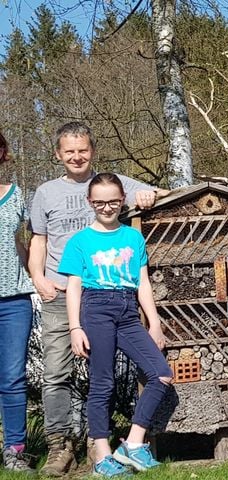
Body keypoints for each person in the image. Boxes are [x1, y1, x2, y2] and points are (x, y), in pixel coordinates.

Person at [28, 122, 168, 476]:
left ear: (92, 151)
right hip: (68, 296)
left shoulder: (117, 193)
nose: (77, 156)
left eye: (83, 150)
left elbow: (142, 278)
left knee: (139, 375)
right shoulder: (46, 193)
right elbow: (38, 240)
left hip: (120, 305)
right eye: (69, 151)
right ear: (58, 154)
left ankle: (113, 445)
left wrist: (149, 194)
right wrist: (38, 278)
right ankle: (65, 447)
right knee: (61, 374)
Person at [58, 173, 172, 477]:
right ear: (89, 202)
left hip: (128, 310)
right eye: (99, 202)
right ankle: (102, 456)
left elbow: (143, 283)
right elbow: (73, 287)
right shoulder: (80, 241)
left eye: (112, 202)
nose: (106, 207)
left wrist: (154, 323)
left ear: (122, 201)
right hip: (96, 309)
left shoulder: (133, 237)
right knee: (103, 383)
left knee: (161, 374)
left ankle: (133, 444)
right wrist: (75, 328)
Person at [0, 131, 35, 472]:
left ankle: (14, 451)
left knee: (12, 378)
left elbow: (23, 243)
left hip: (14, 300)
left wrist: (38, 277)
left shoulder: (15, 194)